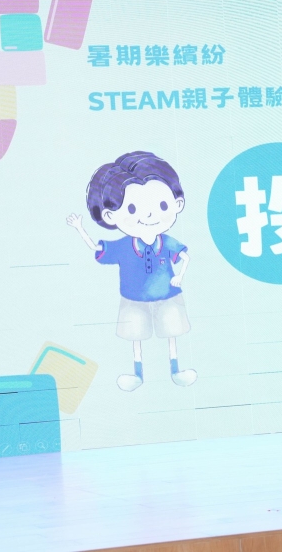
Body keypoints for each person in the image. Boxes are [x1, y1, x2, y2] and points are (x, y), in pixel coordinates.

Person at [66, 151, 197, 392]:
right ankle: (137, 374)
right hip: (133, 300)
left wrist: (180, 276)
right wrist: (79, 228)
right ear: (109, 215)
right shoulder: (124, 246)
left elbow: (185, 257)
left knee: (172, 333)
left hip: (168, 296)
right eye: (133, 208)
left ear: (177, 204)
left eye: (162, 205)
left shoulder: (167, 242)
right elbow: (96, 248)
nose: (149, 215)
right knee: (136, 337)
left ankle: (175, 369)